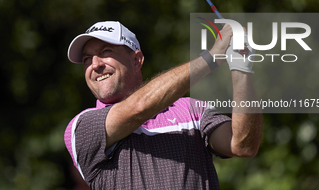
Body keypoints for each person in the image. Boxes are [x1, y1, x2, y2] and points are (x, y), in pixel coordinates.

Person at [64, 21, 262, 189]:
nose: (95, 64)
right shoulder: (82, 127)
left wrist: (241, 67)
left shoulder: (192, 110)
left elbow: (242, 145)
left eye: (106, 51)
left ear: (136, 60)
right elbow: (139, 107)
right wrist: (211, 58)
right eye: (86, 59)